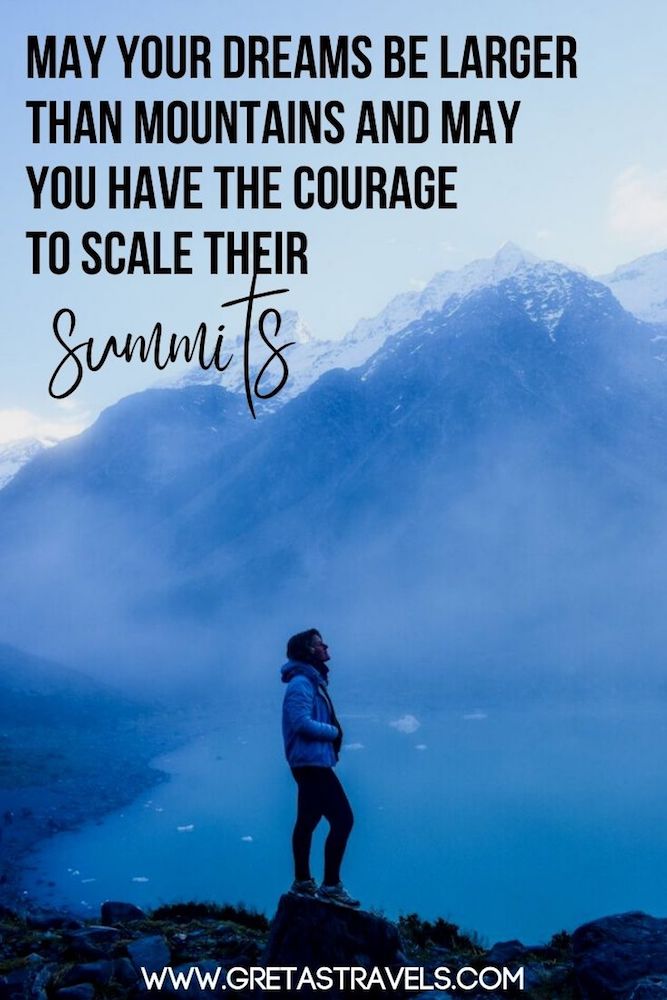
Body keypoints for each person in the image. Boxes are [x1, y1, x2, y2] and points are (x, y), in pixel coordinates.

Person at [281, 628, 359, 908]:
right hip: (311, 765)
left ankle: (303, 882)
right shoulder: (301, 684)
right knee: (343, 820)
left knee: (307, 821)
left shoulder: (311, 682)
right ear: (307, 650)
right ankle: (330, 886)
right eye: (319, 644)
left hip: (311, 763)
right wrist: (333, 732)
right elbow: (300, 722)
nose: (326, 647)